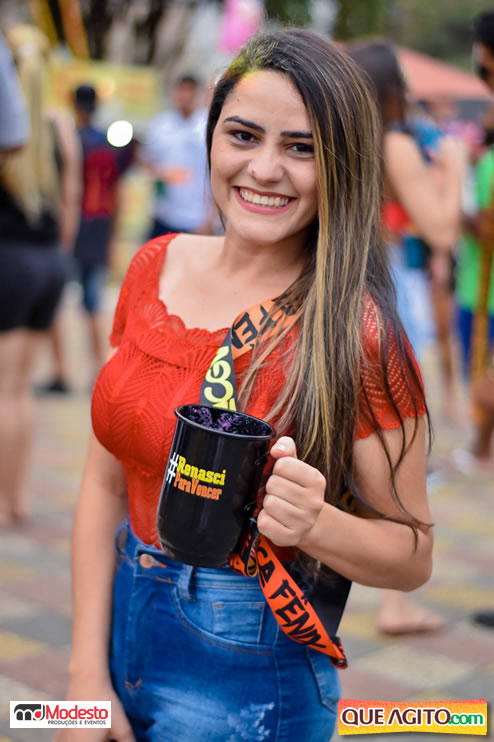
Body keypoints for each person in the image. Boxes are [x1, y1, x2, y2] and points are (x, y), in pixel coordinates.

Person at [58, 29, 433, 741]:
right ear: (212, 136)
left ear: (342, 164)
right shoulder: (153, 265)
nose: (264, 169)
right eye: (243, 135)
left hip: (247, 672)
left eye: (301, 147)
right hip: (115, 623)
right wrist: (82, 682)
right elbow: (104, 483)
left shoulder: (357, 331)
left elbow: (414, 556)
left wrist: (316, 524)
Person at [347, 40, 466, 636]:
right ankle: (396, 603)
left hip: (348, 293)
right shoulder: (392, 141)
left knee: (365, 454)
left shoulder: (345, 136)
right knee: (398, 457)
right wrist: (454, 166)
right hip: (387, 295)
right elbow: (441, 229)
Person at [0, 25, 79, 525]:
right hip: (50, 262)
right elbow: (71, 201)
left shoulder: (8, 132)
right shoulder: (60, 124)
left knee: (4, 390)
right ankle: (17, 500)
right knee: (19, 389)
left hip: (10, 264)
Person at [39, 84, 135, 392]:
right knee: (92, 307)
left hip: (68, 232)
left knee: (55, 306)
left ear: (74, 104)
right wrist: (112, 237)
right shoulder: (109, 143)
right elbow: (117, 194)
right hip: (99, 231)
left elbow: (63, 192)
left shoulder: (67, 142)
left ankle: (60, 372)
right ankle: (98, 371)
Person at [139, 74, 212, 237]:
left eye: (189, 91)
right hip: (162, 213)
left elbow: (213, 174)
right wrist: (160, 173)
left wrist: (209, 218)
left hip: (194, 216)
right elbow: (146, 161)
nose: (184, 96)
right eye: (181, 90)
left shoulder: (206, 126)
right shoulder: (161, 124)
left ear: (197, 94)